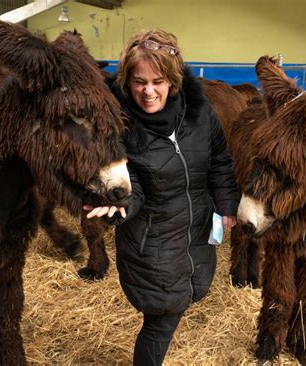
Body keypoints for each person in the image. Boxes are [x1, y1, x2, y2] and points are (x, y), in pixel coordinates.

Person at [84, 29, 240, 365]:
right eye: (139, 81)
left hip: (197, 232)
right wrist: (118, 205)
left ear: (173, 79)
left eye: (157, 81)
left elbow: (219, 160)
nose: (148, 91)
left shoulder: (199, 113)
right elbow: (132, 188)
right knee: (161, 320)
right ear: (127, 81)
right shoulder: (118, 127)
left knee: (184, 299)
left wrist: (226, 205)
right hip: (152, 242)